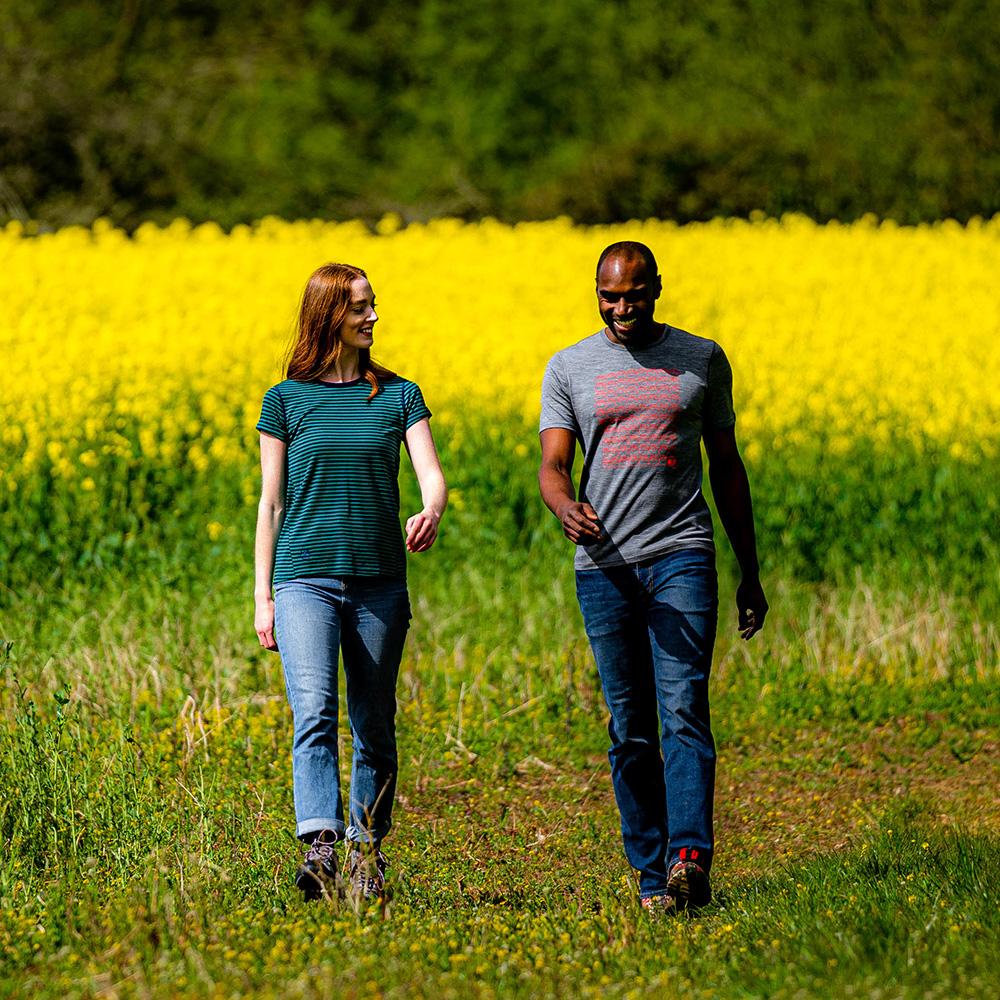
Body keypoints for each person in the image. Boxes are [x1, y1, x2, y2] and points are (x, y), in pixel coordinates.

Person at [538, 241, 767, 913]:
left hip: (682, 554)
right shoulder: (569, 367)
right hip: (604, 565)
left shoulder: (701, 359)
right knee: (631, 728)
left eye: (634, 295)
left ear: (657, 289)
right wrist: (562, 505)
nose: (621, 308)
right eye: (609, 296)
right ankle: (650, 875)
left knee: (684, 711)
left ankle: (689, 859)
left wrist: (749, 569)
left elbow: (727, 466)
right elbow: (553, 463)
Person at [254, 262, 447, 902]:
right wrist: (263, 596)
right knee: (313, 710)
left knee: (374, 721)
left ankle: (367, 850)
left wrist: (432, 508)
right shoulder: (285, 401)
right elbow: (271, 505)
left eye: (373, 305)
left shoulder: (398, 394)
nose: (372, 317)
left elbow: (431, 473)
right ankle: (320, 847)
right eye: (360, 307)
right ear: (328, 315)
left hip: (379, 584)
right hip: (303, 579)